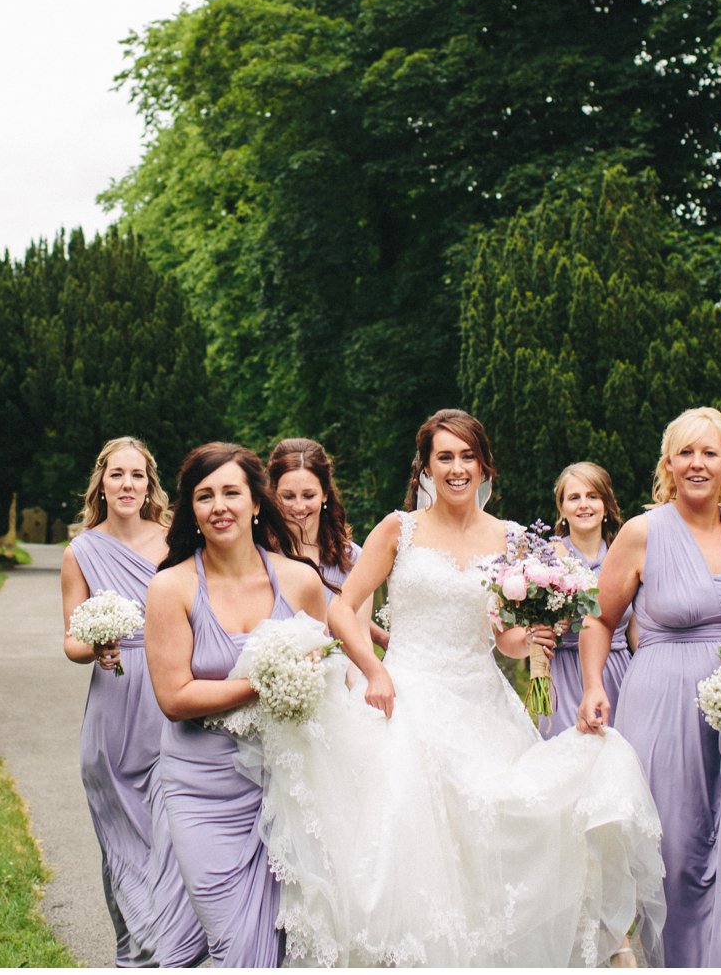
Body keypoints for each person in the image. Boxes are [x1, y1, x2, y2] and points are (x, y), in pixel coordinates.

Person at [251, 409, 666, 966]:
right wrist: (375, 671)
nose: (456, 468)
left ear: (484, 465)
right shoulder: (399, 530)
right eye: (444, 456)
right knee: (410, 852)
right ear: (425, 466)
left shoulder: (513, 538)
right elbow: (344, 610)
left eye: (467, 456)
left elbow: (505, 639)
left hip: (482, 700)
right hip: (408, 699)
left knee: (503, 830)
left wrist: (534, 636)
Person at [579, 406, 721, 967]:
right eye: (685, 453)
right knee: (675, 863)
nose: (697, 463)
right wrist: (593, 685)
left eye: (709, 453)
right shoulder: (642, 532)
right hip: (664, 705)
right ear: (668, 464)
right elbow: (599, 620)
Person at [145, 443, 329, 967]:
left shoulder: (300, 582)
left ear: (255, 503)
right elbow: (175, 698)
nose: (219, 505)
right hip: (202, 792)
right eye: (205, 496)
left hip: (287, 789)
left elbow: (326, 677)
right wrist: (264, 681)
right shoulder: (171, 587)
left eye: (231, 492)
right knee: (236, 942)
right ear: (192, 512)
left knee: (285, 942)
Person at [59, 436, 206, 967]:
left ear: (150, 485)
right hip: (115, 702)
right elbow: (71, 640)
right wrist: (95, 643)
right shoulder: (80, 552)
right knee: (121, 838)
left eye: (137, 475)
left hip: (170, 693)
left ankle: (171, 947)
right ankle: (138, 950)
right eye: (117, 475)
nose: (127, 485)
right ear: (101, 482)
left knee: (170, 833)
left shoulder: (176, 542)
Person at [536, 461, 631, 739]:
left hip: (617, 670)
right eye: (574, 498)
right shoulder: (548, 559)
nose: (584, 505)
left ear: (606, 505)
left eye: (592, 496)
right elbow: (532, 625)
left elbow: (638, 627)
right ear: (562, 509)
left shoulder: (624, 556)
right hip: (565, 671)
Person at [267, 436, 387, 646]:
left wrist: (361, 678)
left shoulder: (352, 558)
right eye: (288, 496)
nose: (298, 506)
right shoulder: (261, 556)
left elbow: (359, 635)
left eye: (308, 495)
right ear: (274, 494)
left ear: (324, 494)